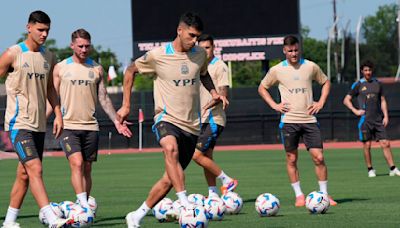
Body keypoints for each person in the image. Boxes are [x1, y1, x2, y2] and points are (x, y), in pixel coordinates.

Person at [117, 12, 228, 227]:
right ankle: (185, 205)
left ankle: (137, 215)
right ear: (179, 30)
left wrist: (214, 93)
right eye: (191, 35)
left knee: (169, 179)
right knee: (170, 148)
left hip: (192, 125)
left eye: (197, 37)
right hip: (165, 117)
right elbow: (130, 71)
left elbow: (203, 74)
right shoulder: (158, 55)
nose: (194, 41)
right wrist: (126, 105)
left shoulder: (199, 55)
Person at [0, 11, 71, 228]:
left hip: (39, 124)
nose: (44, 34)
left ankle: (9, 222)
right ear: (28, 27)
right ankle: (51, 218)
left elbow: (50, 88)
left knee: (24, 174)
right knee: (35, 169)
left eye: (47, 30)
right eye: (40, 29)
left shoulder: (49, 56)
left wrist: (58, 113)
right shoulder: (13, 54)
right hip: (18, 123)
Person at [51, 29, 133, 214]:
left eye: (87, 46)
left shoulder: (96, 68)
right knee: (77, 163)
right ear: (72, 45)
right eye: (80, 46)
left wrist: (117, 122)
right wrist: (46, 118)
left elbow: (103, 98)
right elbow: (52, 97)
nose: (84, 49)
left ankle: (83, 205)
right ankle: (83, 207)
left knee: (87, 168)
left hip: (91, 127)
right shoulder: (61, 67)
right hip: (68, 126)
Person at [258, 35, 337, 207]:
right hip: (289, 121)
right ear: (284, 51)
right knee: (291, 159)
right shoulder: (277, 70)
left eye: (296, 50)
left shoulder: (310, 66)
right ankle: (299, 195)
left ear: (299, 49)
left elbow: (326, 82)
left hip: (309, 119)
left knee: (319, 157)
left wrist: (321, 102)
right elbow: (262, 87)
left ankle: (324, 195)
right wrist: (275, 105)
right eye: (290, 51)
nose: (293, 53)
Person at [192, 34, 237, 197]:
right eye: (202, 48)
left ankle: (227, 180)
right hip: (200, 120)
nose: (205, 51)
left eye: (208, 47)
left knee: (195, 155)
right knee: (207, 158)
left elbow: (223, 94)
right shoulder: (197, 65)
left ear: (213, 48)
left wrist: (209, 104)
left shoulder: (220, 67)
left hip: (213, 119)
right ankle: (213, 194)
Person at [343, 60, 400, 177]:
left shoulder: (378, 84)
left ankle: (393, 168)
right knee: (367, 145)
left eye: (369, 70)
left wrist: (386, 115)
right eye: (365, 70)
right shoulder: (358, 84)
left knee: (385, 143)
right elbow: (346, 100)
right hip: (365, 121)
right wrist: (355, 111)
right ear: (362, 71)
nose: (368, 72)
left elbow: (383, 100)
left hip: (378, 120)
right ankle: (370, 169)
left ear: (372, 70)